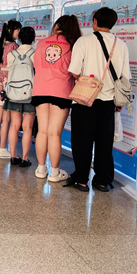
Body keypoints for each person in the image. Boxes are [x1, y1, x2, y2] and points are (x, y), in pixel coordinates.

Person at [66, 7, 130, 192]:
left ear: (94, 21)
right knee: (104, 143)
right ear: (113, 23)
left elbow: (74, 71)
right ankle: (103, 181)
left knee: (82, 141)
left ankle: (81, 180)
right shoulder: (121, 45)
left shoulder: (83, 41)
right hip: (109, 101)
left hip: (84, 100)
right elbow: (125, 77)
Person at [32, 15, 82, 182]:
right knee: (54, 133)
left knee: (42, 131)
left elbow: (36, 65)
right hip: (61, 91)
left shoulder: (41, 43)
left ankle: (40, 169)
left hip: (40, 89)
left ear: (56, 26)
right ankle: (54, 173)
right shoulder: (73, 44)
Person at [4, 27, 36, 167]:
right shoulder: (35, 53)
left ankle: (13, 156)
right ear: (34, 39)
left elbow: (8, 71)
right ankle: (24, 158)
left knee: (14, 125)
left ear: (20, 39)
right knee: (27, 127)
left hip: (13, 93)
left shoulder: (12, 54)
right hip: (30, 93)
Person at [0, 20, 22, 159]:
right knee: (6, 119)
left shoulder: (0, 45)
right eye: (17, 29)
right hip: (10, 84)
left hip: (0, 84)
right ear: (10, 30)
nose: (19, 32)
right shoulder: (15, 46)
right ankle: (3, 148)